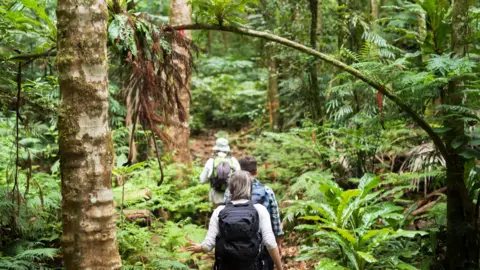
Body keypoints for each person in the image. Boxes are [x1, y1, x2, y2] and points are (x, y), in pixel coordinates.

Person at [187, 171, 283, 270]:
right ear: (250, 188)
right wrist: (280, 267)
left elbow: (208, 245)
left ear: (230, 188)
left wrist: (200, 248)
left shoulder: (219, 211)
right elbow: (270, 242)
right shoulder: (259, 210)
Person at [224, 155, 283, 270]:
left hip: (235, 245)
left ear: (240, 171)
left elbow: (225, 214)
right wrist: (278, 242)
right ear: (256, 172)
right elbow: (275, 219)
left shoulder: (229, 191)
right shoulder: (267, 191)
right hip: (262, 245)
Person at [200, 138, 240, 205]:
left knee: (217, 213)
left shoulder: (211, 161)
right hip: (231, 196)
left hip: (216, 196)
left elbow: (202, 180)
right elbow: (239, 179)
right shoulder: (233, 160)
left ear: (216, 148)